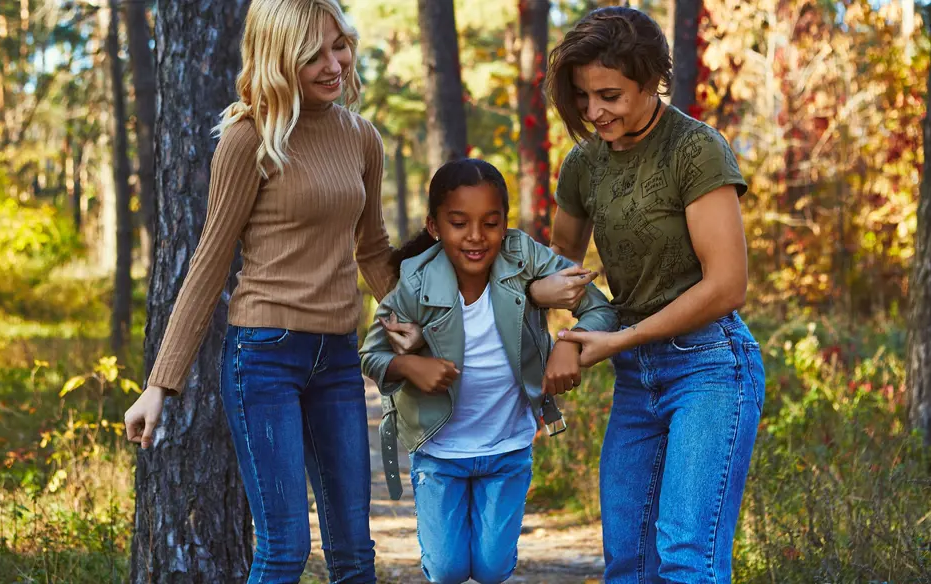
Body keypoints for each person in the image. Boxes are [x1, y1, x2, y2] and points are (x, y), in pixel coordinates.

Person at [122, 1, 397, 582]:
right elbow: (209, 262)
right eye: (312, 55)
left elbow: (372, 249)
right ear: (278, 60)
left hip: (338, 359)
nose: (334, 64)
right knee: (285, 547)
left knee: (354, 552)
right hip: (264, 358)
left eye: (339, 46)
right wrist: (159, 385)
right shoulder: (249, 139)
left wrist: (408, 317)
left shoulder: (362, 139)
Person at [542, 7, 767, 583]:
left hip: (710, 368)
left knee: (687, 559)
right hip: (636, 376)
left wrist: (622, 335)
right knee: (628, 563)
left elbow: (727, 286)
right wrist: (565, 335)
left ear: (651, 81)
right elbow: (561, 269)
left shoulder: (695, 150)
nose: (594, 111)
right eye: (582, 96)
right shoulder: (583, 164)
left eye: (610, 95)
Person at [360, 158, 618, 584]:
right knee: (446, 570)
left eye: (491, 223)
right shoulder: (414, 281)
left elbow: (598, 308)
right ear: (435, 226)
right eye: (459, 223)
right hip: (439, 449)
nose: (476, 237)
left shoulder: (523, 256)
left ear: (506, 224)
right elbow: (371, 354)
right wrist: (410, 365)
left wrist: (569, 345)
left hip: (507, 446)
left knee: (493, 568)